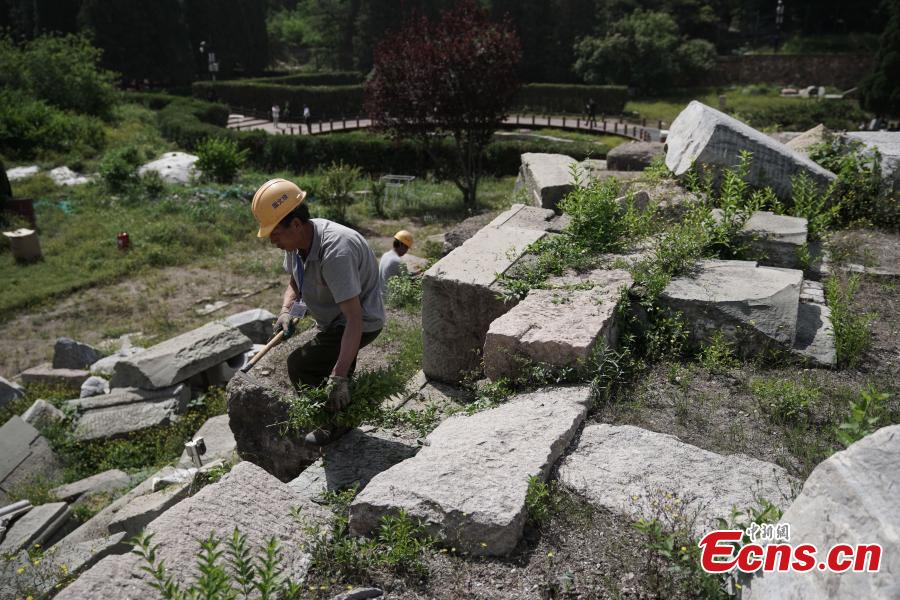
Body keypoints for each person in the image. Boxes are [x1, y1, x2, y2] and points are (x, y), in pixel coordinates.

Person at [251, 178, 384, 445]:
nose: (272, 241)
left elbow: (354, 319)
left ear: (295, 224)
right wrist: (287, 310)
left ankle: (332, 424)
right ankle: (346, 412)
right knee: (333, 362)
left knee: (302, 365)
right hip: (334, 318)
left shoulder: (335, 252)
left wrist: (338, 377)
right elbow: (295, 280)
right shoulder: (298, 241)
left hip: (359, 321)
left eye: (275, 233)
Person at [379, 230, 413, 300]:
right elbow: (408, 282)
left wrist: (414, 274)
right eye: (406, 247)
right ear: (401, 244)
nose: (406, 251)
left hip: (381, 297)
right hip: (391, 301)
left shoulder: (385, 255)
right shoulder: (397, 261)